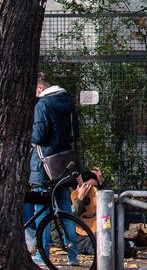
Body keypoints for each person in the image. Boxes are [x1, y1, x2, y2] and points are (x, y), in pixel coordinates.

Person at [30, 72, 80, 266]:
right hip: (64, 163)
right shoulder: (68, 103)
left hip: (44, 166)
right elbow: (75, 132)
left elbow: (40, 135)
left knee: (42, 209)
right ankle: (73, 256)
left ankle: (43, 255)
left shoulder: (43, 104)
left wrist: (30, 135)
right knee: (66, 209)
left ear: (40, 88)